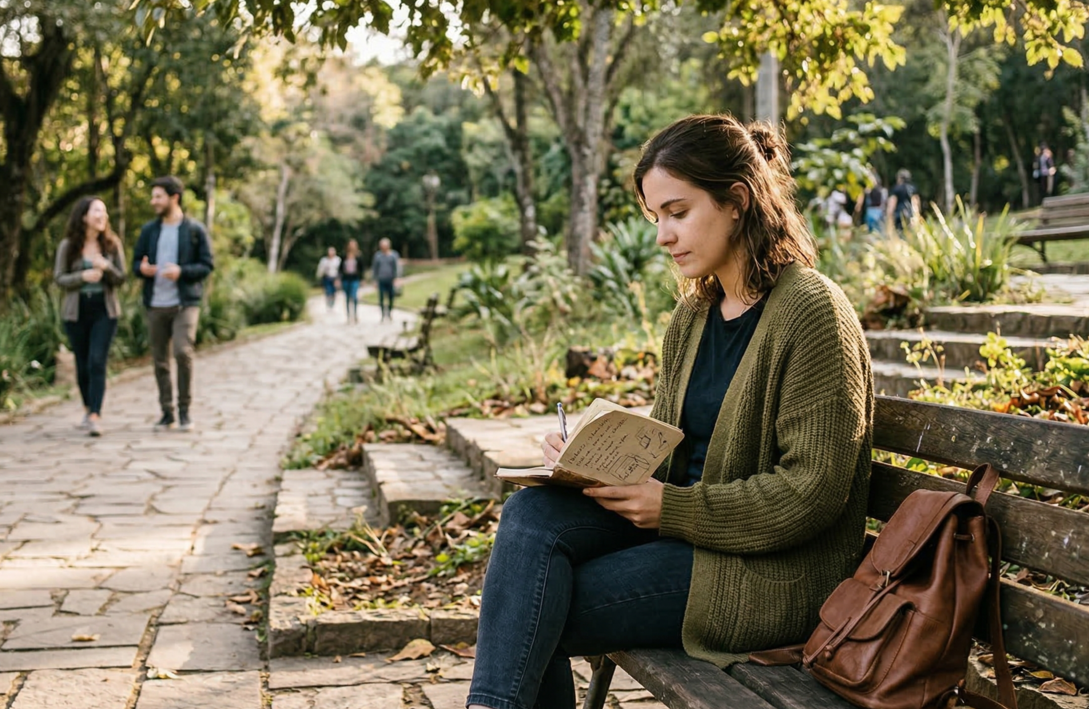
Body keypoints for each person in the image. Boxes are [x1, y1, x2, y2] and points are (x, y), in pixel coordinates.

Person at [467, 115, 873, 709]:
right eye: (656, 217)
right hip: (689, 538)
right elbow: (670, 450)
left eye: (677, 213)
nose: (662, 235)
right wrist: (591, 464)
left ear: (737, 201)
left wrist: (672, 506)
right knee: (532, 512)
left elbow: (811, 492)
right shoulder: (694, 317)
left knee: (532, 610)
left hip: (764, 573)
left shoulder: (812, 312)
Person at [132, 176, 214, 433]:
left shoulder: (194, 230)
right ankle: (167, 413)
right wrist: (142, 269)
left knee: (182, 351)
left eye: (158, 196)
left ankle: (185, 411)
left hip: (185, 302)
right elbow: (136, 263)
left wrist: (182, 272)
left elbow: (207, 265)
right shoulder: (149, 231)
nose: (153, 201)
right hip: (156, 303)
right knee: (160, 360)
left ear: (174, 197)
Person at [53, 197, 125, 437]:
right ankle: (87, 408)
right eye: (97, 211)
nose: (101, 215)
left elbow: (121, 278)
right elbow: (59, 278)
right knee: (82, 364)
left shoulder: (112, 245)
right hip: (77, 312)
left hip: (105, 311)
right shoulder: (68, 246)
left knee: (97, 361)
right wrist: (82, 277)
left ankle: (95, 414)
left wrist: (106, 267)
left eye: (104, 211)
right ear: (84, 216)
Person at [371, 238, 402, 322]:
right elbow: (375, 268)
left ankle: (389, 312)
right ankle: (382, 314)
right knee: (381, 298)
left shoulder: (394, 255)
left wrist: (397, 278)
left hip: (391, 279)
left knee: (391, 297)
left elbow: (397, 267)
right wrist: (374, 280)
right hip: (381, 279)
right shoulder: (377, 256)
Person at [339, 239, 364, 324]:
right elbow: (340, 268)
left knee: (354, 296)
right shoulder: (344, 255)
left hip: (355, 278)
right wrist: (339, 278)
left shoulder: (359, 256)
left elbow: (361, 268)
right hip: (346, 278)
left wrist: (362, 279)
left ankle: (355, 314)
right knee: (347, 297)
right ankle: (348, 316)